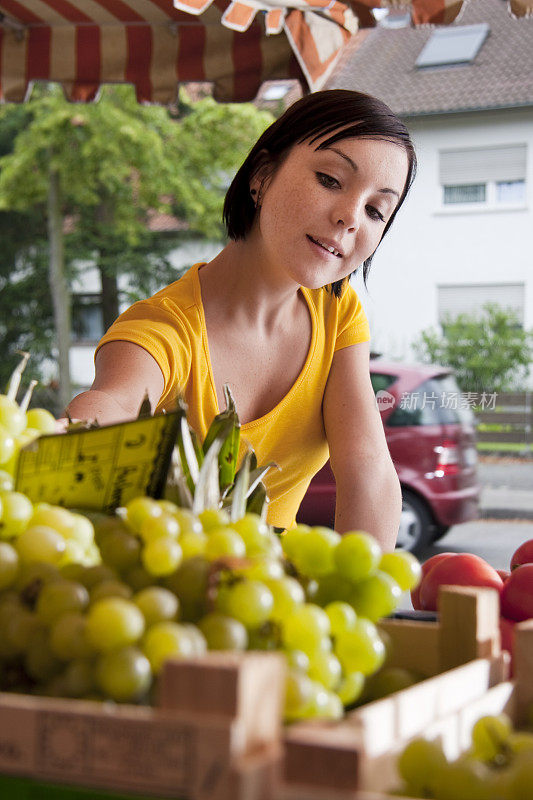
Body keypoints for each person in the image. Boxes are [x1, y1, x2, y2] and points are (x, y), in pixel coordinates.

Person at [66, 89, 417, 551]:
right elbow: (110, 404)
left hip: (274, 603)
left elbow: (367, 465)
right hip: (168, 597)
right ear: (262, 176)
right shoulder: (164, 327)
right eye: (330, 179)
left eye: (376, 210)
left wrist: (369, 598)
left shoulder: (339, 311)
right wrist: (68, 435)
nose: (350, 218)